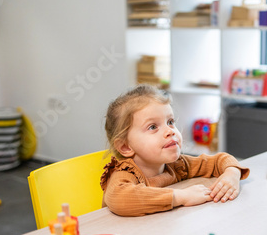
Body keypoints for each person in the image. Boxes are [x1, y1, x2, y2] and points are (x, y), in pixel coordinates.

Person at [100, 84, 250, 217]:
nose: (170, 131)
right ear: (126, 147)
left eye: (170, 122)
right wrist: (181, 197)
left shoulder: (177, 165)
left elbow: (219, 160)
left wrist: (232, 173)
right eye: (153, 127)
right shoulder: (125, 175)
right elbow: (119, 197)